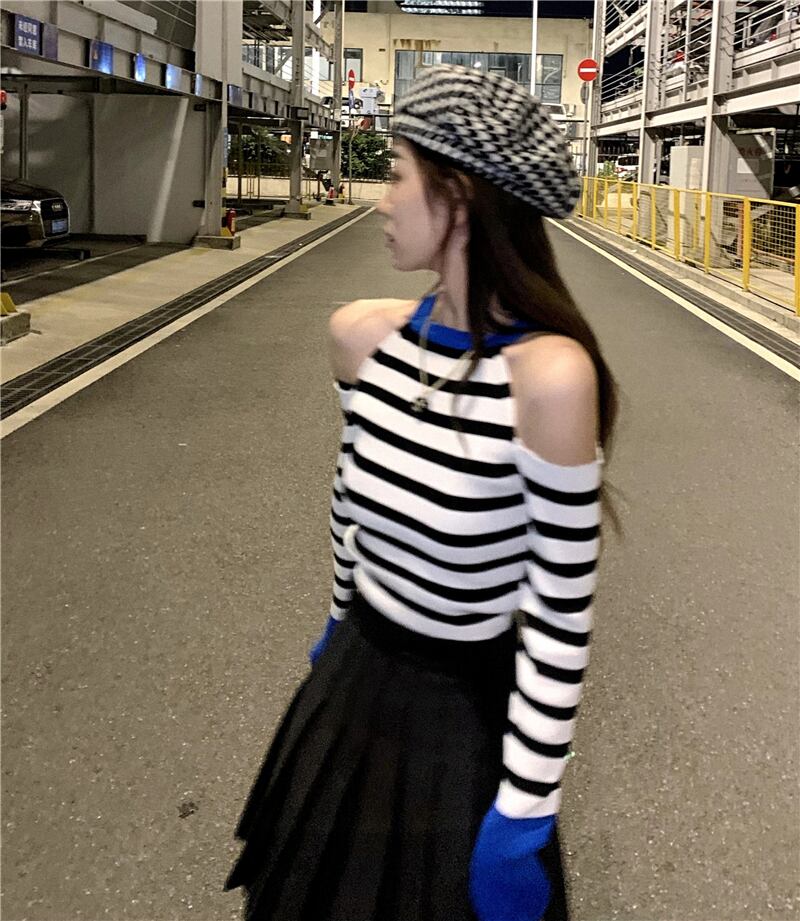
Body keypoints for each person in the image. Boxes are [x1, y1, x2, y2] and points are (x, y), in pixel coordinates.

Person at [224, 64, 619, 921]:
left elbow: (559, 615)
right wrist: (336, 625)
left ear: (461, 194)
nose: (382, 199)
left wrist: (522, 814)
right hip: (347, 686)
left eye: (398, 173)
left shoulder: (550, 379)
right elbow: (349, 503)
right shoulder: (361, 339)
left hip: (462, 716)